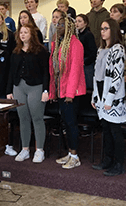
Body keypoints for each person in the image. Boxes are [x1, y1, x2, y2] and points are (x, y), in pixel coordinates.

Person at [6, 24, 49, 163]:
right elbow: (11, 72)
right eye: (21, 32)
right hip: (19, 86)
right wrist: (9, 91)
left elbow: (46, 72)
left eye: (26, 32)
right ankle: (25, 149)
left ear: (32, 34)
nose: (23, 35)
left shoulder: (40, 51)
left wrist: (46, 90)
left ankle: (39, 150)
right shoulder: (16, 51)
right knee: (23, 118)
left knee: (37, 118)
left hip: (36, 86)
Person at [91, 18, 126, 176]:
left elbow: (117, 76)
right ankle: (107, 159)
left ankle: (118, 163)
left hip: (112, 95)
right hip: (100, 92)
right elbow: (96, 74)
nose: (102, 31)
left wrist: (110, 98)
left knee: (115, 130)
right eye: (101, 28)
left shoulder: (118, 49)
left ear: (113, 30)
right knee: (105, 129)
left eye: (106, 28)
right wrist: (95, 96)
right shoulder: (101, 49)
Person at [50, 17, 86, 169]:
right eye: (57, 24)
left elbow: (75, 70)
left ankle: (75, 155)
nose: (58, 26)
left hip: (72, 92)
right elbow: (53, 71)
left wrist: (70, 94)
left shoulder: (75, 44)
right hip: (61, 90)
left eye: (62, 25)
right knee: (64, 122)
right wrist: (53, 92)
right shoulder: (57, 44)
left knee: (71, 124)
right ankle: (70, 153)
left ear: (69, 27)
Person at [109, 4, 126, 85]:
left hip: (121, 68)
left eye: (115, 12)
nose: (111, 14)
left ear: (122, 14)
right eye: (111, 12)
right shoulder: (110, 30)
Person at [75, 14, 97, 91]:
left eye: (79, 21)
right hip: (81, 63)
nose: (77, 23)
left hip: (87, 64)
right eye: (76, 21)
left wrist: (84, 61)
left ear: (85, 23)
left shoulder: (88, 35)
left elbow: (93, 52)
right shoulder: (78, 35)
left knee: (87, 87)